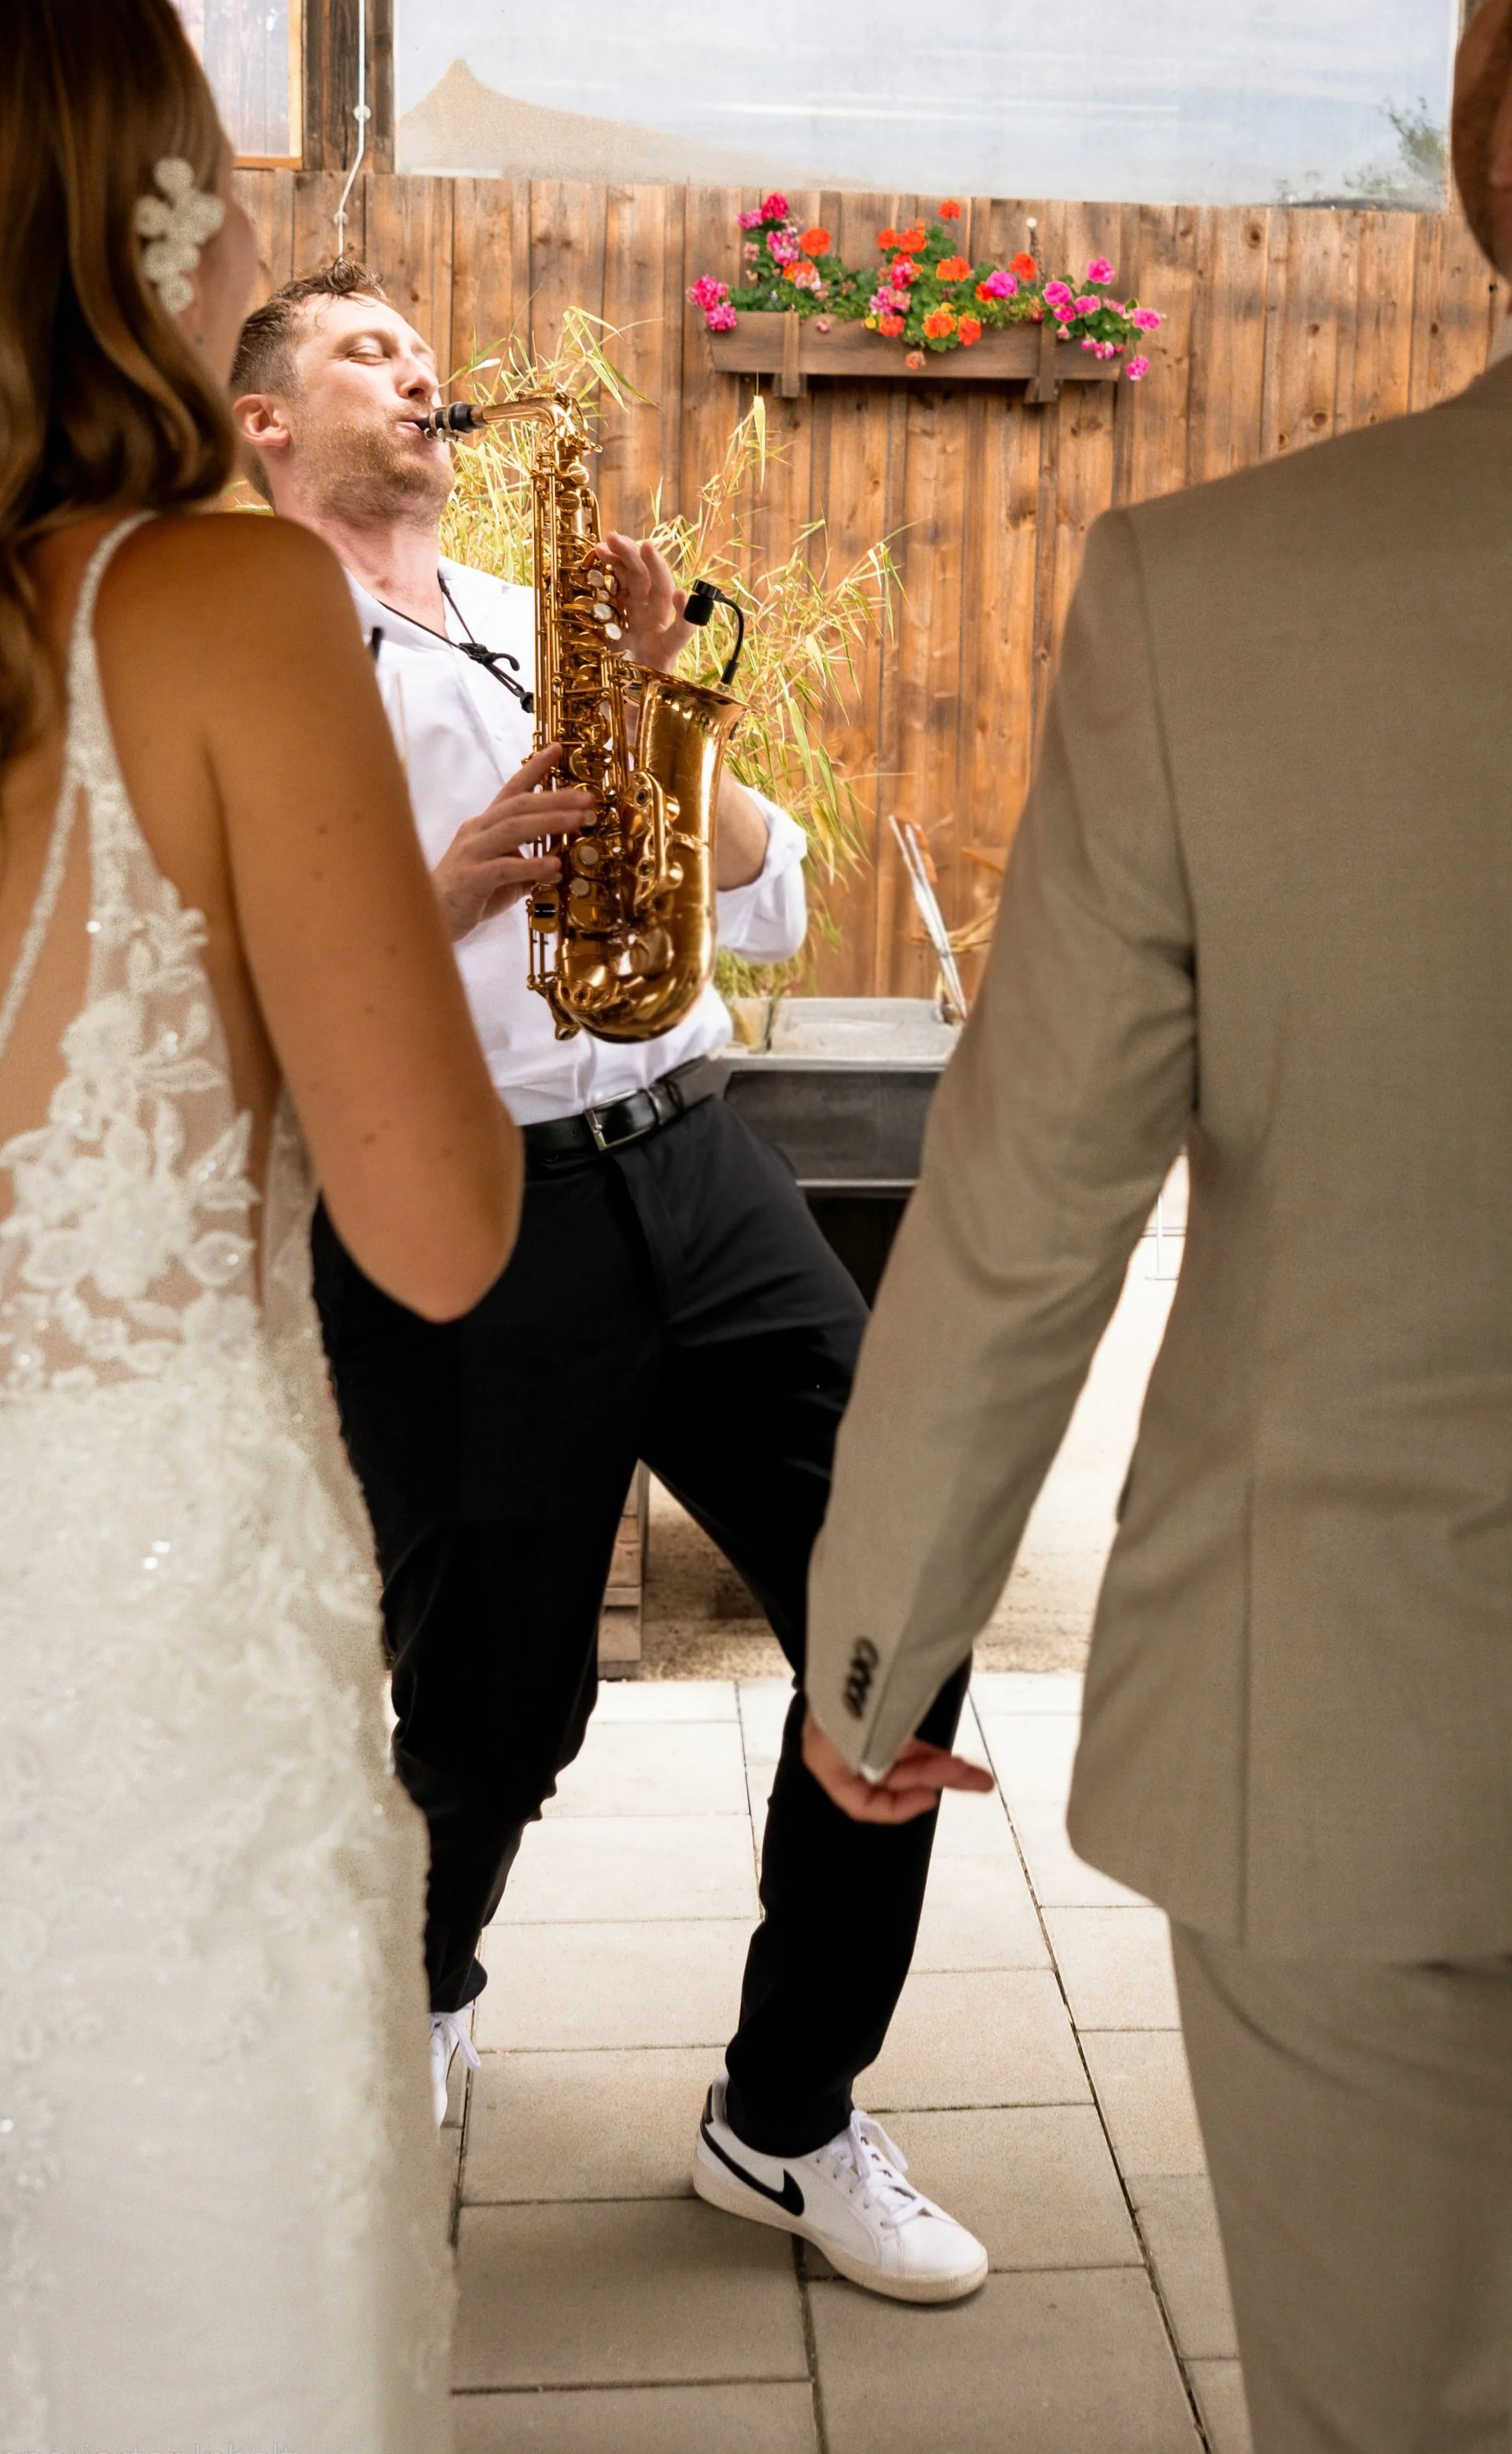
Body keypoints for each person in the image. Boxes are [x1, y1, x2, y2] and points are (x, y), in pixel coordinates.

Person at [802, 7, 1512, 2446]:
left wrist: (878, 1649)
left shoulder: (1225, 600)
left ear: (1486, 168)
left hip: (1364, 1725)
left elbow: (1025, 1213)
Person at [0, 2, 523, 2442]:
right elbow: (439, 1231)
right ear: (123, 209)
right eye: (211, 166)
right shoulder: (222, 605)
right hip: (166, 1704)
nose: (243, 221)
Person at [230, 262, 994, 2302]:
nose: (416, 371)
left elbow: (769, 892)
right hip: (454, 1207)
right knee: (492, 1707)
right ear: (265, 425)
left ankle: (788, 2116)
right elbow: (200, 1003)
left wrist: (659, 704)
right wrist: (437, 890)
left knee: (899, 1614)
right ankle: (414, 1993)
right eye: (364, 352)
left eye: (419, 347)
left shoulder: (524, 617)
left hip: (697, 1162)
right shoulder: (239, 670)